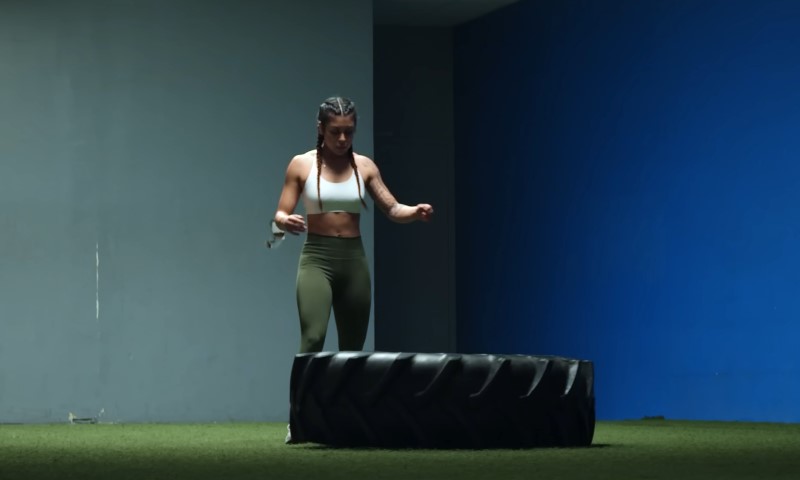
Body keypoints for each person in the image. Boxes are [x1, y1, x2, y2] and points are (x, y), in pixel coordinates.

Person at [274, 96, 433, 444]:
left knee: (352, 347)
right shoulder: (301, 165)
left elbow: (392, 208)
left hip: (353, 261)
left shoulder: (365, 166)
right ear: (321, 129)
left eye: (348, 132)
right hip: (317, 258)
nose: (343, 139)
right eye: (335, 132)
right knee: (313, 339)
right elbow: (280, 213)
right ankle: (299, 420)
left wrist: (414, 211)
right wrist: (287, 221)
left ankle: (346, 421)